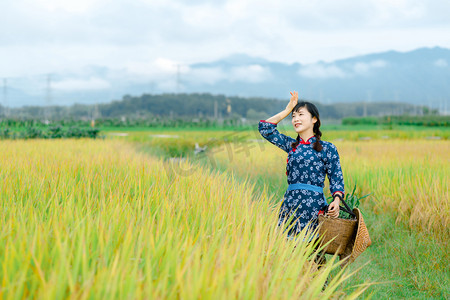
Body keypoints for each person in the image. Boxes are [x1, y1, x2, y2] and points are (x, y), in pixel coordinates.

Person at [258, 91, 345, 241]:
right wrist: (287, 110)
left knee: (313, 256)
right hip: (290, 207)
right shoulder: (291, 145)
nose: (295, 119)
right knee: (287, 254)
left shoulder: (328, 148)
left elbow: (336, 177)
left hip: (314, 208)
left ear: (314, 119)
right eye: (293, 116)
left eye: (300, 115)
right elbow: (265, 129)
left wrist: (336, 201)